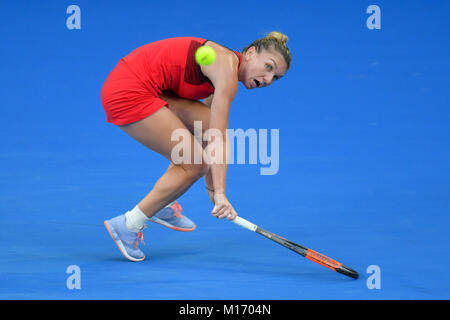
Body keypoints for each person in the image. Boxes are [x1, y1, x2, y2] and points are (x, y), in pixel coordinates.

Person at [101, 32, 291, 261]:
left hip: (146, 86)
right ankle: (128, 225)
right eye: (268, 67)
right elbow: (218, 138)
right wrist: (220, 194)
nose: (269, 79)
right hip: (128, 91)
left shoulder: (225, 71)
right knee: (194, 164)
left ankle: (164, 202)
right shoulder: (226, 71)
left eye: (276, 77)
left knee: (204, 126)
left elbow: (210, 131)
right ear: (250, 53)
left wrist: (213, 191)